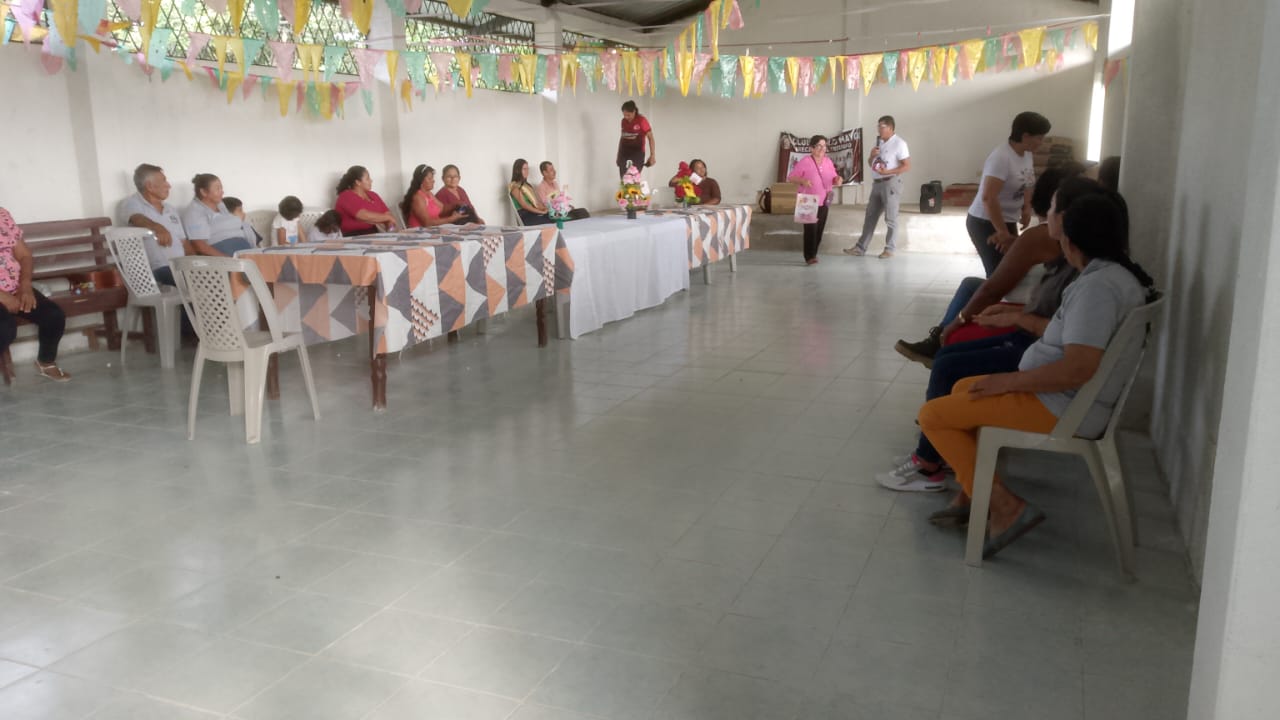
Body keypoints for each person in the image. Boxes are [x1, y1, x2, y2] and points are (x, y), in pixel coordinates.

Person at [916, 187, 1154, 558]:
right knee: (963, 386)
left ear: (1070, 238)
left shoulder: (1098, 289)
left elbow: (1078, 367)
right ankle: (974, 492)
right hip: (1064, 398)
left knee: (933, 415)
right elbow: (1070, 337)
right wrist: (1017, 321)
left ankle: (1003, 506)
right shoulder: (1107, 276)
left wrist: (1007, 381)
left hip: (1062, 406)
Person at [878, 173, 1094, 494]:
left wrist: (970, 323)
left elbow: (996, 288)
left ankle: (928, 462)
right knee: (952, 348)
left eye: (1052, 207)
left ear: (1065, 216)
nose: (1047, 213)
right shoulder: (1080, 258)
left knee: (948, 362)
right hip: (1037, 341)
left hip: (1039, 355)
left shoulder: (1070, 261)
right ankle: (940, 449)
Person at [894, 163, 1086, 367]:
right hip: (1039, 301)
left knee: (975, 293)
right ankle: (936, 341)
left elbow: (992, 291)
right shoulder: (1066, 235)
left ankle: (939, 339)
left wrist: (956, 322)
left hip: (1030, 304)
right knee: (971, 284)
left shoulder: (1041, 235)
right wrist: (1017, 244)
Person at [967, 111, 1052, 277]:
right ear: (1025, 136)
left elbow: (1028, 182)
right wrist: (1002, 232)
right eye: (1039, 138)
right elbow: (988, 197)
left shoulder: (1027, 154)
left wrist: (1026, 207)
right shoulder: (1001, 157)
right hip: (985, 222)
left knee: (1013, 268)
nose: (1041, 143)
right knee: (999, 273)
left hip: (1008, 220)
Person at [0, 207, 69, 382]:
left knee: (53, 315)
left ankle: (46, 362)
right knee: (4, 328)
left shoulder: (2, 215)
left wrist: (25, 286)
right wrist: (2, 296)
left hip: (15, 287)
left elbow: (25, 255)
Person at [845, 115, 910, 259]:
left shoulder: (899, 143)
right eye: (878, 126)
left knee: (891, 218)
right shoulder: (879, 143)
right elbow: (872, 164)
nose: (879, 129)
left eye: (882, 126)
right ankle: (860, 248)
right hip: (877, 184)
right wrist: (871, 155)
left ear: (890, 128)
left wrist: (888, 172)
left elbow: (906, 166)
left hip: (891, 183)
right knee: (870, 216)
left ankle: (889, 249)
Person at [124, 163, 191, 286]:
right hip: (158, 269)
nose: (169, 186)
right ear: (149, 186)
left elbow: (184, 242)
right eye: (164, 181)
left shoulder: (171, 209)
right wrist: (158, 227)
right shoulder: (133, 203)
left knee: (216, 276)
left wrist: (197, 262)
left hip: (181, 266)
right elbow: (137, 218)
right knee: (200, 283)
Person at [787, 134, 843, 265]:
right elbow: (791, 177)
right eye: (819, 146)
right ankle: (809, 256)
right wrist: (802, 181)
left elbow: (834, 178)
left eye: (824, 146)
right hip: (807, 200)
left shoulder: (828, 162)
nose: (822, 149)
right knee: (810, 229)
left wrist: (838, 179)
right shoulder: (805, 161)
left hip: (825, 200)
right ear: (811, 148)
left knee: (819, 229)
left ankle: (813, 253)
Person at [181, 174, 256, 257]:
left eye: (221, 188)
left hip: (243, 250)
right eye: (218, 189)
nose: (222, 192)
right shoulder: (194, 212)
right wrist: (227, 259)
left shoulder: (220, 204)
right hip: (226, 255)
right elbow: (200, 245)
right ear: (203, 192)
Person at [334, 165, 397, 237]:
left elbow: (388, 215)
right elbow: (363, 215)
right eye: (367, 178)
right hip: (353, 236)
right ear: (358, 182)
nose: (371, 181)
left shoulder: (373, 195)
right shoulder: (346, 196)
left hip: (373, 234)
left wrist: (390, 229)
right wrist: (387, 218)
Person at [400, 165, 466, 229]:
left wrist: (456, 205)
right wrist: (451, 219)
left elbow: (442, 209)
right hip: (420, 232)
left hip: (434, 230)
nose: (433, 180)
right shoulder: (417, 197)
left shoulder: (429, 194)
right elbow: (427, 223)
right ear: (421, 180)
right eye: (430, 178)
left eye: (432, 178)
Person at [617, 100, 656, 178]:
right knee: (624, 178)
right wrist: (618, 155)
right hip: (624, 153)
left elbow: (651, 138)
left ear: (634, 111)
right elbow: (622, 138)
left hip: (637, 153)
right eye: (624, 115)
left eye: (628, 115)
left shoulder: (642, 120)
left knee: (634, 178)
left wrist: (652, 155)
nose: (626, 117)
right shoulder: (623, 121)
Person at [508, 158, 552, 225]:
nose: (527, 171)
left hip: (533, 213)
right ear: (517, 170)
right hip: (526, 216)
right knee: (549, 220)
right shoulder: (515, 187)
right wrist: (541, 212)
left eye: (528, 169)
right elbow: (525, 206)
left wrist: (546, 209)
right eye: (524, 169)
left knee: (554, 217)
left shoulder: (527, 186)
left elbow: (536, 203)